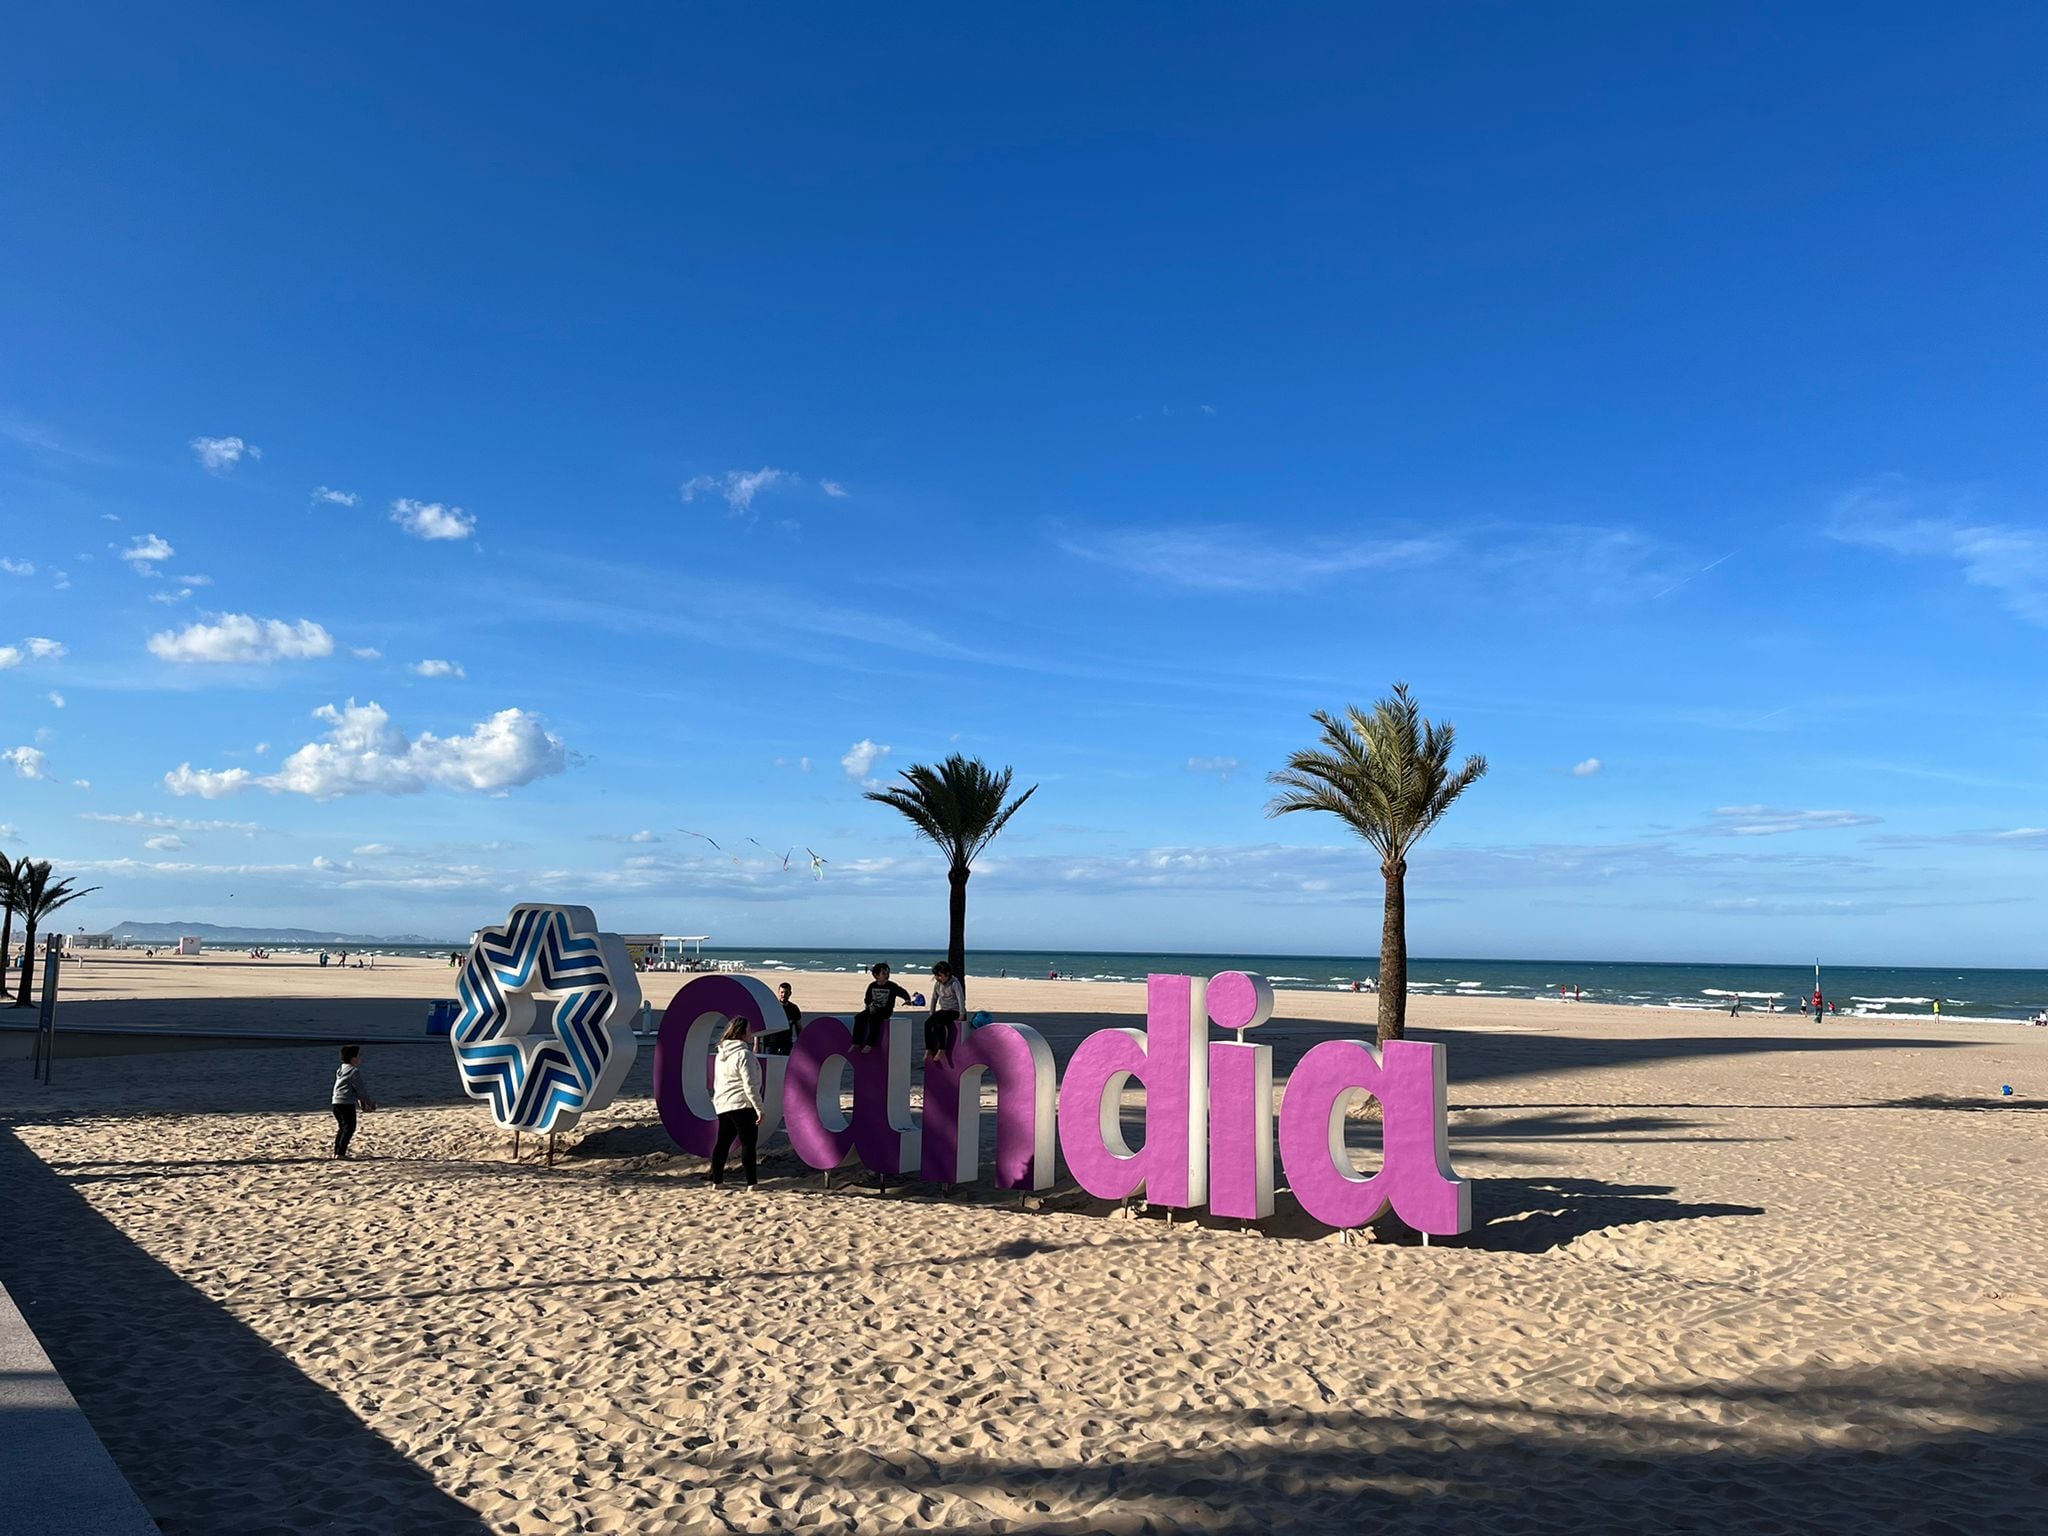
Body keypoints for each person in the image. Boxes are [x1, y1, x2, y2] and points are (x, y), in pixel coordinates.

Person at [709, 1018, 762, 1189]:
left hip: (723, 1104)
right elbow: (750, 1085)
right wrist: (759, 1108)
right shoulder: (744, 1054)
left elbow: (718, 1081)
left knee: (722, 1143)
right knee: (748, 1143)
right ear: (741, 1033)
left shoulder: (721, 1055)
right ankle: (751, 1183)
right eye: (748, 1030)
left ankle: (717, 1181)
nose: (751, 1033)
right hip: (742, 1105)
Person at [852, 962, 912, 1053]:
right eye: (884, 973)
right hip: (872, 1008)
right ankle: (856, 1042)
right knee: (859, 1017)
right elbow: (867, 999)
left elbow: (902, 992)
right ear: (876, 975)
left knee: (874, 1019)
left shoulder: (892, 986)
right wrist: (869, 1006)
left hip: (885, 1010)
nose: (887, 975)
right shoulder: (872, 986)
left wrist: (907, 999)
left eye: (888, 973)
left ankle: (870, 1044)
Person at [331, 1044, 377, 1159]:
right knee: (349, 1128)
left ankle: (337, 1152)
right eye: (359, 1055)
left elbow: (349, 1087)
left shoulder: (341, 1068)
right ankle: (341, 1153)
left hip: (336, 1102)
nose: (361, 1058)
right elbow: (360, 1088)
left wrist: (359, 1100)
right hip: (346, 1103)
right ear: (353, 1058)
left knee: (342, 1128)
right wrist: (367, 1101)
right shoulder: (353, 1071)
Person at [924, 961, 966, 1066]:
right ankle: (928, 1048)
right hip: (943, 1010)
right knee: (927, 1024)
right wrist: (932, 1012)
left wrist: (962, 1013)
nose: (938, 978)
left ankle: (942, 1048)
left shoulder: (954, 983)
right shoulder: (938, 984)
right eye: (936, 976)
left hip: (954, 1011)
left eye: (940, 976)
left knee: (939, 1024)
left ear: (947, 974)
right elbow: (934, 998)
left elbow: (961, 998)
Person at [759, 982, 799, 1055]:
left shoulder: (794, 1008)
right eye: (782, 992)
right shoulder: (770, 1007)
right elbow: (760, 1024)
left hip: (786, 1043)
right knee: (769, 1065)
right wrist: (756, 1044)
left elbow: (798, 1026)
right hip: (770, 1043)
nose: (783, 995)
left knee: (783, 1064)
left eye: (786, 992)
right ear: (778, 992)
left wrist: (800, 1042)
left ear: (790, 993)